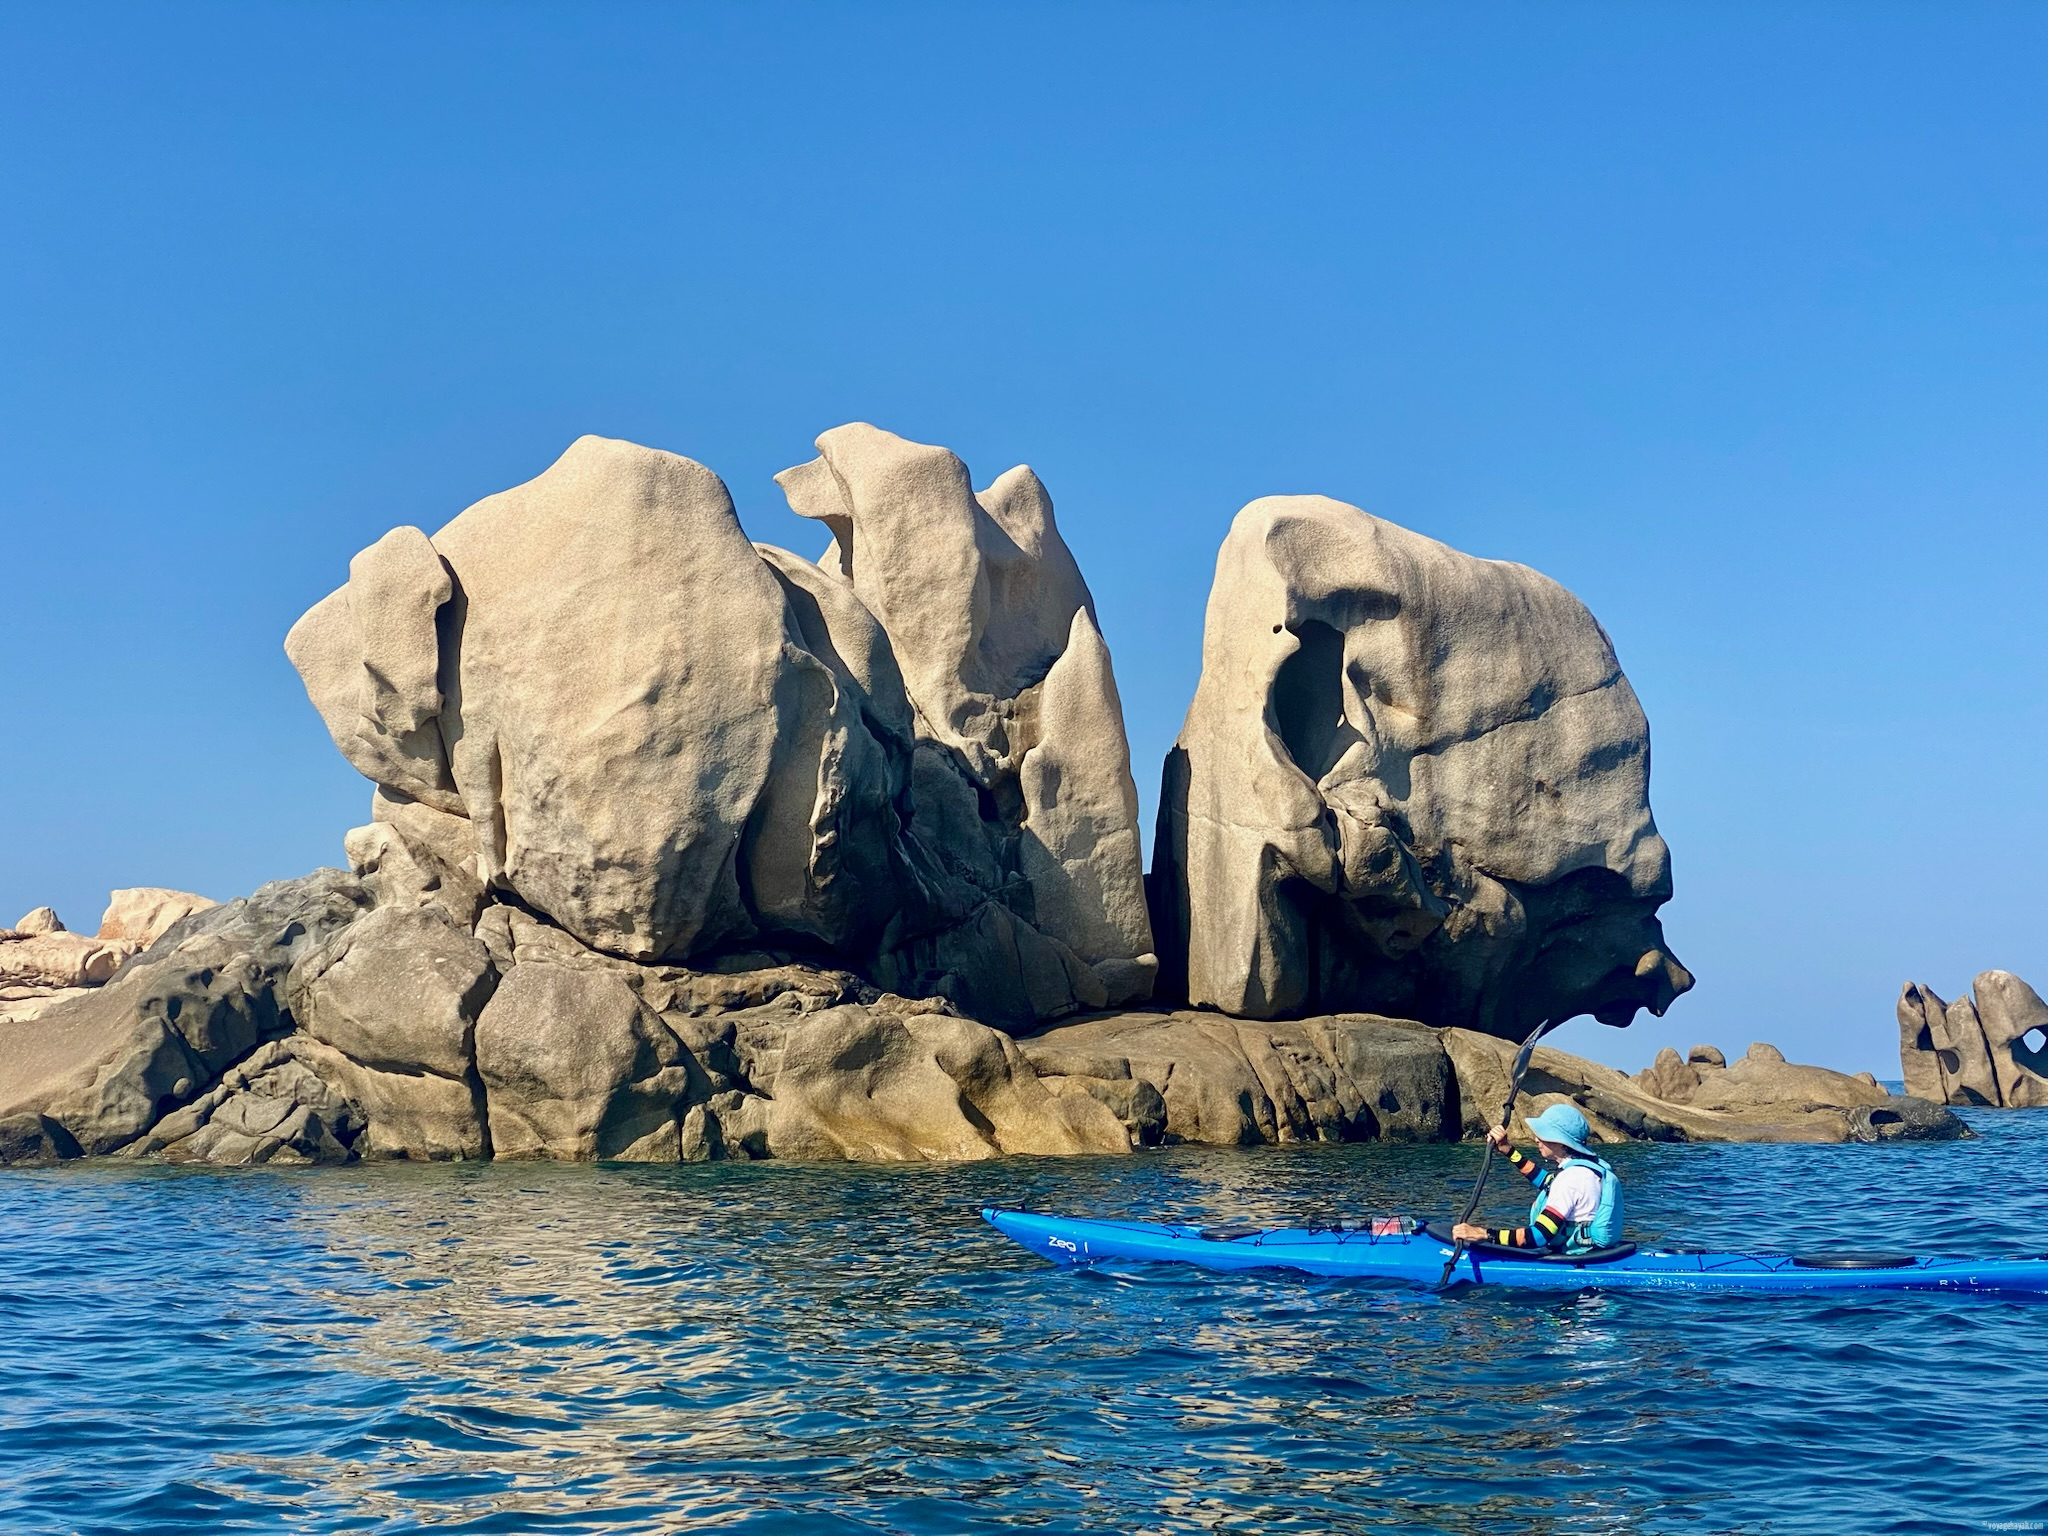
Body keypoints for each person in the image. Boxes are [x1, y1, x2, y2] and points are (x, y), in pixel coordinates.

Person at [1450, 1102, 1623, 1254]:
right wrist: (1508, 1150)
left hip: (1572, 1258)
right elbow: (1546, 1182)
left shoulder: (1569, 1180)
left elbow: (1538, 1237)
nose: (1536, 1139)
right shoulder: (1587, 1170)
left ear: (1561, 1142)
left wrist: (1484, 1234)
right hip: (1590, 1251)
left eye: (1543, 1134)